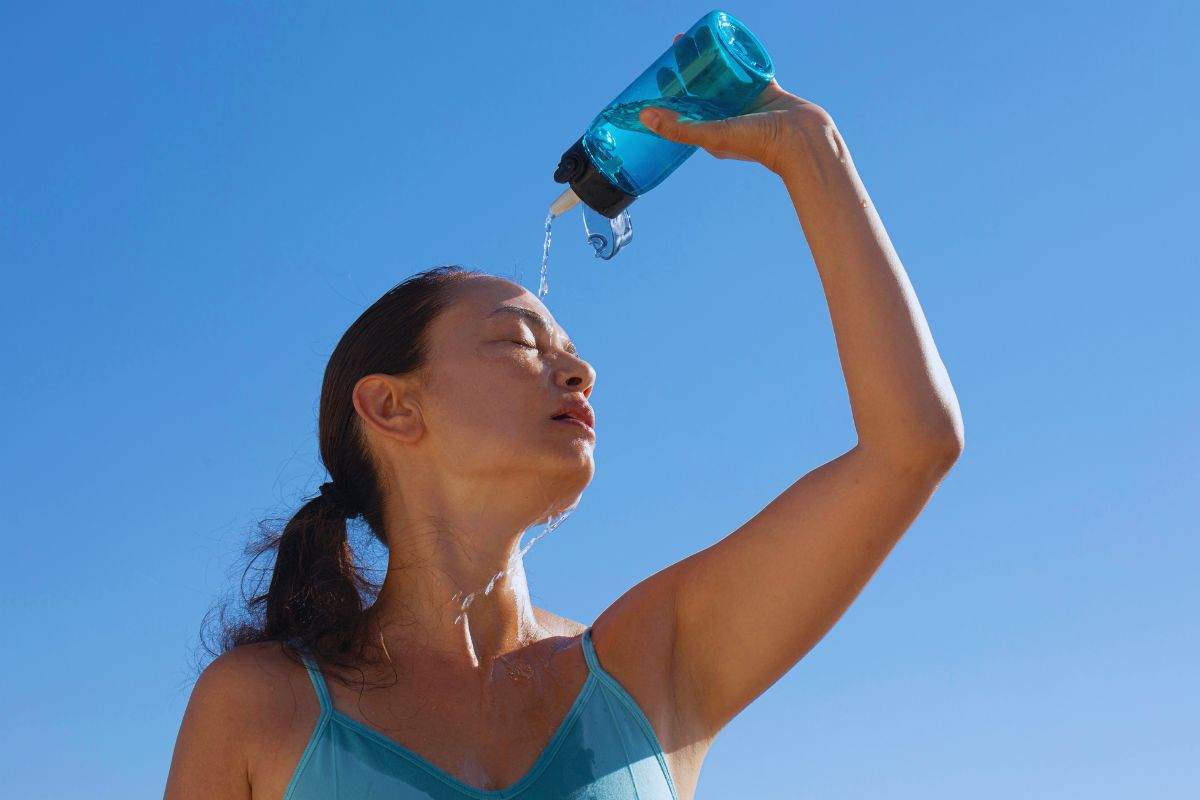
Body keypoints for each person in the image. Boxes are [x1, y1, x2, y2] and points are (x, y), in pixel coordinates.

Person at [164, 59, 964, 800]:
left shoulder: (650, 667)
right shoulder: (261, 707)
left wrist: (810, 147)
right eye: (519, 344)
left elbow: (912, 445)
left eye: (574, 356)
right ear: (393, 407)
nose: (580, 374)